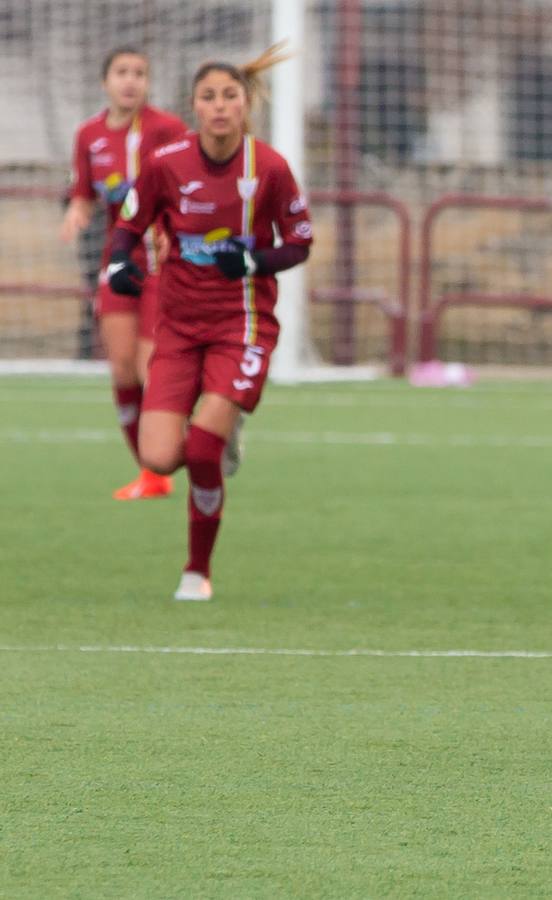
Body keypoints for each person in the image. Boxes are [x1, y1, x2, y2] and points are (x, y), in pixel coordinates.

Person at [104, 44, 313, 602]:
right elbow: (129, 222)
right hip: (178, 328)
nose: (219, 107)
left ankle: (197, 571)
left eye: (230, 96)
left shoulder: (267, 168)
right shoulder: (168, 163)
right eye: (208, 97)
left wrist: (254, 260)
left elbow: (300, 242)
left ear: (246, 105)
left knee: (200, 451)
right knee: (158, 457)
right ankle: (220, 424)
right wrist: (121, 263)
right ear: (194, 107)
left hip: (241, 327)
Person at [60, 47, 189, 500]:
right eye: (122, 72)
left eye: (139, 73)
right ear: (105, 81)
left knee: (149, 366)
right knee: (121, 370)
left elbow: (190, 181)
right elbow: (82, 192)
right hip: (117, 260)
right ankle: (150, 474)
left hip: (160, 261)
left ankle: (202, 430)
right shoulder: (88, 134)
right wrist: (77, 211)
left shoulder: (167, 129)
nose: (130, 81)